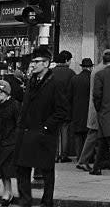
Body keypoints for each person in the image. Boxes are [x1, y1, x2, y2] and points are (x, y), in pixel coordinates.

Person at [14, 45, 69, 207]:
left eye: (37, 62)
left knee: (46, 170)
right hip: (26, 133)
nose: (34, 64)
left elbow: (62, 111)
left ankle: (47, 202)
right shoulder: (32, 81)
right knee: (22, 168)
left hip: (43, 135)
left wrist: (46, 127)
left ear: (46, 64)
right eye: (33, 62)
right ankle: (25, 201)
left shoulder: (55, 83)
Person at [51, 52, 74, 164]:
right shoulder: (71, 73)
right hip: (66, 107)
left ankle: (54, 155)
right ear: (66, 60)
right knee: (64, 131)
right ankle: (64, 155)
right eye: (69, 60)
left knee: (54, 132)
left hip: (53, 107)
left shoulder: (51, 72)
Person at [69, 59, 92, 160]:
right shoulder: (92, 79)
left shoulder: (75, 79)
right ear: (90, 67)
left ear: (82, 67)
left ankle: (79, 157)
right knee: (89, 135)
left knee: (78, 135)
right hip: (89, 111)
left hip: (77, 111)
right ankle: (88, 157)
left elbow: (69, 96)